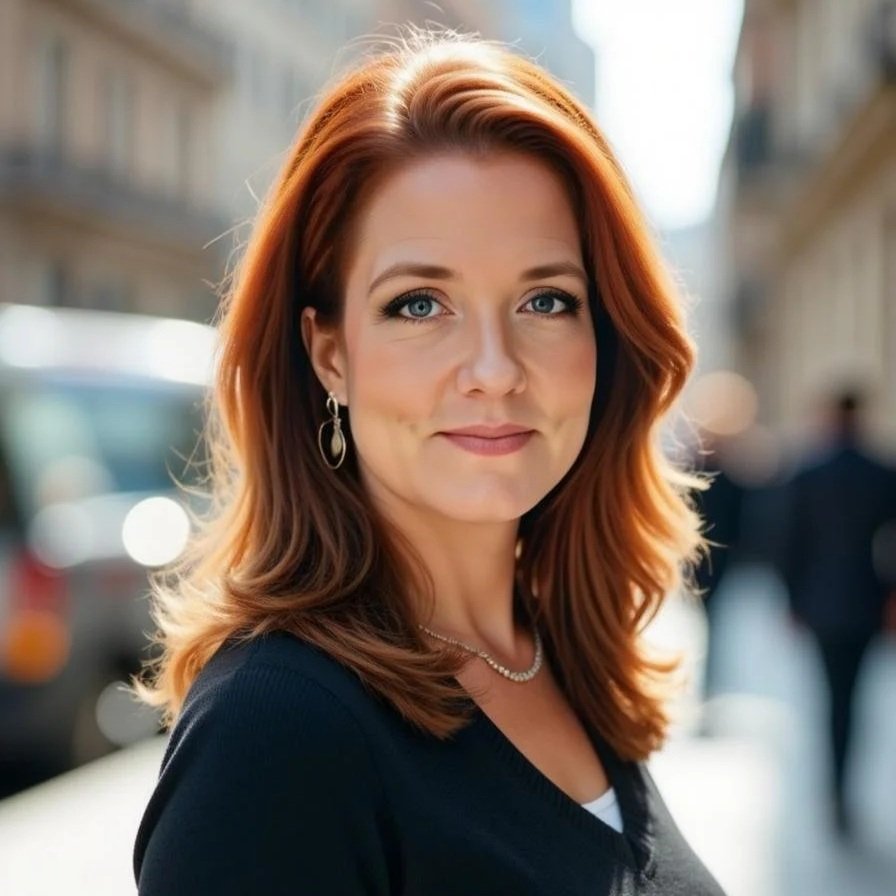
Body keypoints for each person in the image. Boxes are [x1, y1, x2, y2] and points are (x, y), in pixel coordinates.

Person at [131, 30, 725, 895]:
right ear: (329, 353)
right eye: (419, 304)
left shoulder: (563, 651)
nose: (493, 370)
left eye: (546, 300)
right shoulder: (275, 734)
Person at [777, 387, 896, 840]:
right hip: (867, 601)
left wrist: (792, 602)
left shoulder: (809, 472)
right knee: (855, 700)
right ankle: (844, 793)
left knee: (833, 700)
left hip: (821, 604)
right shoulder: (882, 472)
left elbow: (788, 542)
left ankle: (836, 792)